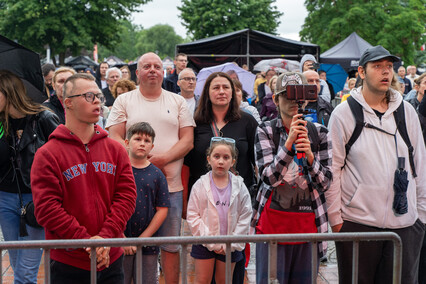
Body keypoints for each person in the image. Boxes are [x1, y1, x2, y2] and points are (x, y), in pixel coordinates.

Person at [326, 45, 426, 284]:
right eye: (377, 66)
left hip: (405, 226)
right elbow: (333, 169)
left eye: (389, 67)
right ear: (361, 72)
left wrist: (421, 216)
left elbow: (420, 165)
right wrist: (337, 221)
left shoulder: (407, 111)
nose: (385, 72)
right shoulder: (344, 113)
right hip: (357, 224)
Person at [31, 73, 137, 283]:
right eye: (89, 96)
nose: (97, 100)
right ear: (67, 102)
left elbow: (126, 196)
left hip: (110, 258)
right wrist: (88, 242)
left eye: (98, 95)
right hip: (67, 261)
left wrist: (105, 238)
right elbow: (46, 208)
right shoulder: (47, 154)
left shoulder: (115, 149)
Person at [106, 52, 195, 284]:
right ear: (137, 72)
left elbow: (187, 140)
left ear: (164, 71)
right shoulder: (124, 100)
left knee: (170, 247)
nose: (153, 70)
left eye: (157, 66)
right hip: (129, 187)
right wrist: (139, 161)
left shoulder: (177, 101)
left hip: (171, 187)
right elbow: (113, 135)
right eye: (147, 66)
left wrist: (160, 161)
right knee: (126, 246)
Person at [251, 72, 332, 283]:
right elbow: (268, 178)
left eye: (299, 95)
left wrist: (311, 158)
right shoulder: (266, 130)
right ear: (276, 99)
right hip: (271, 229)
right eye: (287, 95)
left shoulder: (320, 132)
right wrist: (289, 145)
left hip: (308, 229)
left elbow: (325, 182)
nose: (294, 101)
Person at [185, 72, 258, 284]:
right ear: (207, 93)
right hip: (205, 203)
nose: (221, 92)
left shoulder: (247, 121)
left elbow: (257, 161)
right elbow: (187, 164)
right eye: (215, 87)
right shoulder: (196, 123)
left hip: (236, 201)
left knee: (233, 274)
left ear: (233, 91)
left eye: (225, 87)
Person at [0, 70, 59, 284]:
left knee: (25, 272)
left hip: (36, 200)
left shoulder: (43, 117)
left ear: (9, 92)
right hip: (5, 198)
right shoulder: (0, 122)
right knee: (18, 267)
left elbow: (63, 155)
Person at [187, 138, 252, 284]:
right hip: (204, 242)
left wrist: (232, 242)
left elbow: (245, 215)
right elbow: (193, 215)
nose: (221, 161)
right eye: (216, 157)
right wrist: (211, 241)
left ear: (233, 161)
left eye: (226, 157)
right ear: (208, 159)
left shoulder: (240, 186)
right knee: (202, 280)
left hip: (230, 244)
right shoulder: (199, 185)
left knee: (224, 281)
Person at [122, 122, 170, 284]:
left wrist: (143, 239)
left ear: (152, 146)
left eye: (147, 140)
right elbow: (107, 204)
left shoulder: (157, 175)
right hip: (119, 242)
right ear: (127, 143)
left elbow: (162, 209)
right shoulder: (117, 170)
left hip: (147, 244)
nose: (142, 143)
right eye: (137, 139)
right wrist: (120, 238)